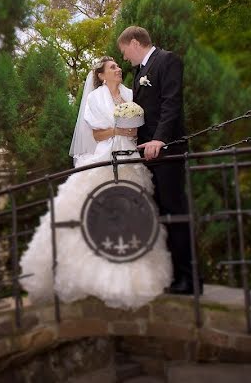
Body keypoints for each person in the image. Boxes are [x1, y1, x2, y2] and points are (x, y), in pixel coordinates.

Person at [18, 57, 172, 310]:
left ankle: (132, 277)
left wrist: (132, 132)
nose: (118, 69)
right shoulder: (95, 99)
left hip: (130, 156)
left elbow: (140, 126)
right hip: (104, 155)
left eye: (118, 66)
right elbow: (96, 134)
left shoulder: (131, 93)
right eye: (112, 67)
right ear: (101, 75)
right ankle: (92, 276)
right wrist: (118, 131)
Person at [117, 25, 199, 295]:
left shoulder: (168, 60)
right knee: (164, 214)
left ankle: (190, 279)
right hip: (150, 155)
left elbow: (171, 103)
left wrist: (160, 139)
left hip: (168, 151)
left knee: (176, 212)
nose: (125, 58)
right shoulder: (138, 73)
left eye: (125, 51)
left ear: (135, 42)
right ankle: (177, 277)